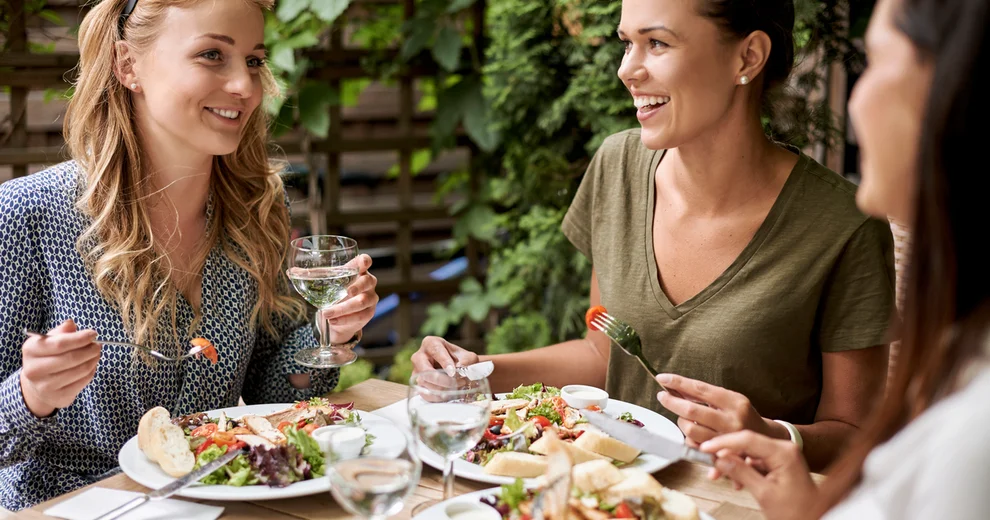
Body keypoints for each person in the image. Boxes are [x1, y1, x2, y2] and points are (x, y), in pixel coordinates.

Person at [411, 0, 897, 472]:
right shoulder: (617, 166)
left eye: (657, 43)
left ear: (747, 56)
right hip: (611, 500)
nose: (627, 70)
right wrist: (473, 372)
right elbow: (603, 354)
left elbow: (855, 435)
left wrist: (770, 434)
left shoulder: (844, 226)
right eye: (627, 44)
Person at [0, 0, 378, 510]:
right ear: (127, 65)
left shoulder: (258, 208)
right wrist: (31, 396)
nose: (245, 87)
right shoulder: (28, 214)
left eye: (253, 60)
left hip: (214, 505)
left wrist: (328, 332)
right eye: (210, 55)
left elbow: (275, 391)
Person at [700, 0, 990, 517]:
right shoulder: (960, 356)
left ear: (953, 91)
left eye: (874, 61)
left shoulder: (973, 438)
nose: (855, 102)